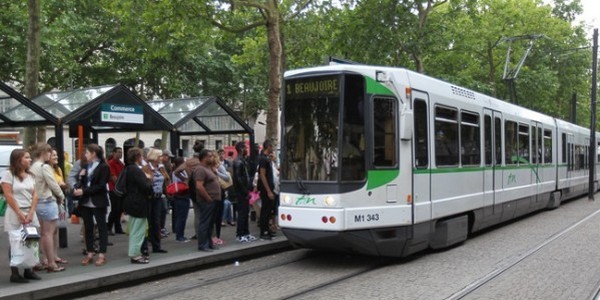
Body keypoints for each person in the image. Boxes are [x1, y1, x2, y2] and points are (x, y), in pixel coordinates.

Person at [2, 149, 42, 283]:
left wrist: (31, 212)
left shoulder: (31, 175)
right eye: (27, 157)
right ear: (18, 160)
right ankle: (15, 272)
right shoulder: (8, 175)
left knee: (31, 241)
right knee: (16, 241)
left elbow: (35, 194)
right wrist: (19, 213)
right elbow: (8, 195)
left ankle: (28, 269)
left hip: (30, 211)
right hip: (15, 212)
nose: (30, 160)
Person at [73, 144, 110, 267]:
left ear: (93, 153)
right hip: (85, 201)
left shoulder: (104, 167)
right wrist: (80, 178)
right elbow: (82, 182)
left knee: (101, 226)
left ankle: (102, 254)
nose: (85, 155)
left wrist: (84, 191)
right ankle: (89, 252)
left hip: (98, 200)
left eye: (87, 153)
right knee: (88, 227)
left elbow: (101, 185)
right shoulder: (85, 166)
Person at [30, 143, 66, 272]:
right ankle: (51, 263)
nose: (51, 154)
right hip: (47, 201)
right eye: (49, 152)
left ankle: (43, 260)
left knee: (41, 234)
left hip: (36, 203)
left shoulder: (32, 166)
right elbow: (54, 185)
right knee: (49, 234)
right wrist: (61, 196)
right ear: (44, 153)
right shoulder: (44, 167)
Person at [122, 147, 153, 264]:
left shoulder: (128, 169)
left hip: (131, 201)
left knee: (136, 228)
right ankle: (135, 254)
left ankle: (135, 253)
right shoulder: (136, 170)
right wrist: (149, 179)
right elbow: (145, 186)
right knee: (138, 230)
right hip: (138, 203)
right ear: (137, 157)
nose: (142, 159)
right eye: (141, 156)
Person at [174, 140, 204, 239]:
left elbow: (177, 171)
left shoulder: (189, 162)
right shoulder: (203, 161)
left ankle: (198, 234)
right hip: (203, 187)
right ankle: (205, 234)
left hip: (192, 188)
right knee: (206, 212)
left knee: (197, 213)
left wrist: (185, 179)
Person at [142, 148, 169, 254]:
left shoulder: (160, 167)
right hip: (149, 197)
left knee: (157, 222)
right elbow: (147, 181)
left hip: (158, 196)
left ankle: (156, 246)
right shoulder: (146, 167)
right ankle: (145, 246)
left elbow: (167, 179)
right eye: (160, 156)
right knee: (148, 222)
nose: (161, 158)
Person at [194, 149, 221, 252]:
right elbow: (199, 186)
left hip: (213, 200)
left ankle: (209, 243)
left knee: (210, 223)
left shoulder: (208, 168)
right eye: (209, 156)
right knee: (205, 222)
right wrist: (208, 198)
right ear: (204, 157)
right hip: (207, 201)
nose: (212, 158)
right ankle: (202, 244)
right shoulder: (200, 169)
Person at [232, 142, 255, 243]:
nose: (247, 149)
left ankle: (246, 232)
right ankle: (240, 234)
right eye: (245, 148)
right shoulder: (238, 162)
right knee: (242, 213)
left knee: (246, 212)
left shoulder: (243, 161)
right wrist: (246, 191)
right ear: (241, 149)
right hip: (241, 192)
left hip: (244, 191)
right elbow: (238, 178)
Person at [49, 149, 68, 265]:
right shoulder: (46, 169)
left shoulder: (58, 169)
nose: (56, 157)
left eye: (56, 154)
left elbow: (61, 182)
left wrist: (64, 185)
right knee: (48, 232)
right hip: (51, 200)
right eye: (53, 155)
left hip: (58, 201)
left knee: (55, 231)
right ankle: (48, 257)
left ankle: (54, 255)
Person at [257, 140, 276, 240]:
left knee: (269, 210)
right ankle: (263, 231)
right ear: (268, 147)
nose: (272, 148)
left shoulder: (267, 159)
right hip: (266, 189)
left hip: (269, 187)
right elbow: (262, 175)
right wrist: (268, 191)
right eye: (272, 146)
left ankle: (267, 230)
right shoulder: (263, 160)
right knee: (265, 210)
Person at [212, 150, 230, 246]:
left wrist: (217, 173)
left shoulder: (219, 167)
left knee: (218, 215)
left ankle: (217, 236)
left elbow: (227, 177)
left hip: (220, 193)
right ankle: (213, 236)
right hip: (213, 193)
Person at [171, 156, 190, 242]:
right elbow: (184, 181)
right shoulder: (177, 172)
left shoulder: (182, 171)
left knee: (182, 216)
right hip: (180, 195)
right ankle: (179, 236)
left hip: (183, 195)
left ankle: (181, 234)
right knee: (181, 217)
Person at [107, 147, 125, 235]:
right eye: (118, 152)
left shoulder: (121, 164)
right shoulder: (111, 163)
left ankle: (118, 227)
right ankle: (109, 227)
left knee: (120, 209)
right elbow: (113, 177)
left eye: (121, 152)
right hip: (113, 189)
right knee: (115, 209)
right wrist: (121, 185)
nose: (120, 154)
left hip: (120, 189)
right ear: (113, 153)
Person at [160, 149, 174, 237]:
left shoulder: (167, 165)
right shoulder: (163, 166)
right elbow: (167, 179)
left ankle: (161, 227)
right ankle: (161, 228)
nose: (169, 159)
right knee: (163, 210)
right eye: (168, 157)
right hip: (162, 191)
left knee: (164, 210)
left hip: (164, 190)